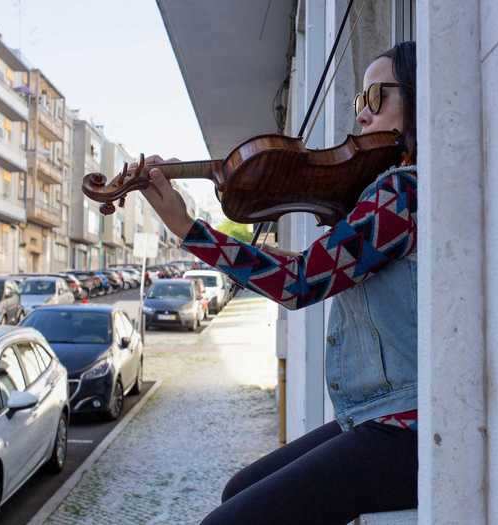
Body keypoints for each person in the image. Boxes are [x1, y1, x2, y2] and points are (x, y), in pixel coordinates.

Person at [141, 41, 417, 525]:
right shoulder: (393, 194)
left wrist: (188, 230)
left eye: (377, 98)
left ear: (419, 97)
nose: (363, 117)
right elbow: (315, 266)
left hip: (410, 423)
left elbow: (299, 284)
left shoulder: (402, 193)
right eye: (359, 102)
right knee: (238, 489)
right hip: (380, 413)